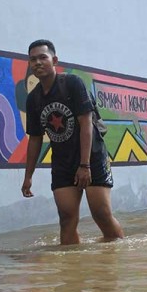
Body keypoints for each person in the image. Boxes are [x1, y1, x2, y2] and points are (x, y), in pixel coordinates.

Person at [21, 39, 123, 245]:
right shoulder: (33, 99)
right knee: (67, 219)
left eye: (43, 57)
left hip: (92, 157)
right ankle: (72, 272)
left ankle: (114, 260)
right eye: (33, 59)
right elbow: (35, 139)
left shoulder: (72, 84)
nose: (38, 63)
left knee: (101, 214)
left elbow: (86, 124)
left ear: (54, 60)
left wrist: (84, 165)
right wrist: (28, 176)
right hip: (62, 162)